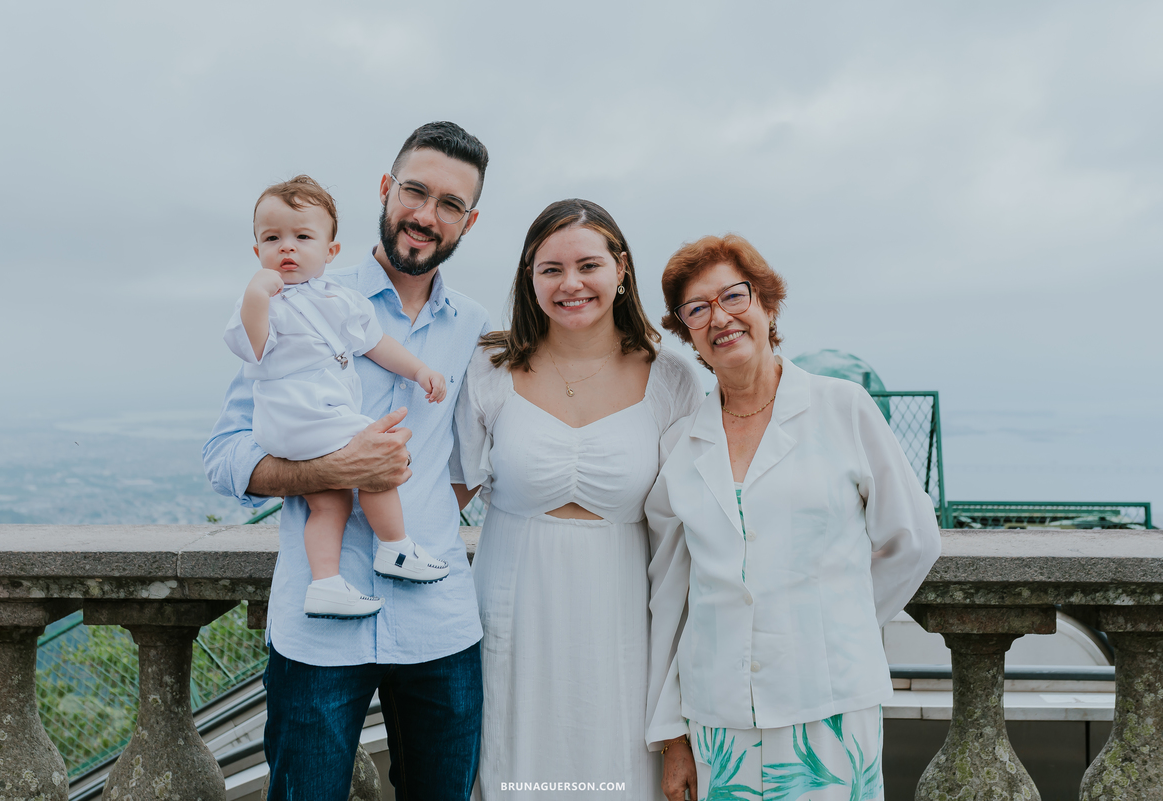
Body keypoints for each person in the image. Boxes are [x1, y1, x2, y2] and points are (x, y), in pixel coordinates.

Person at [204, 122, 491, 801]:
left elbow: (471, 459)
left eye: (449, 204)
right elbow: (224, 455)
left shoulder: (473, 325)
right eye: (415, 192)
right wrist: (329, 473)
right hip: (318, 634)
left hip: (437, 624)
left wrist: (418, 507)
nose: (426, 215)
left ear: (468, 221)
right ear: (387, 190)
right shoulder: (298, 298)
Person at [644, 235, 942, 801]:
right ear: (687, 333)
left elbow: (913, 539)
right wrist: (671, 734)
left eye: (734, 297)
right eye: (697, 309)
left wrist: (834, 619)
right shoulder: (681, 445)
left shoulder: (843, 408)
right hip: (718, 719)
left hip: (828, 705)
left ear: (768, 304)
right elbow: (672, 594)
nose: (720, 318)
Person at [452, 199, 704, 799]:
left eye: (588, 265)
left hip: (623, 628)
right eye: (550, 270)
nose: (571, 285)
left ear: (620, 269)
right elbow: (443, 496)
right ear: (529, 277)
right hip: (508, 621)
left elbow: (688, 544)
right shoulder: (489, 366)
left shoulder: (671, 379)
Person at [225, 175, 450, 622]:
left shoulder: (339, 297)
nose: (286, 248)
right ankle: (396, 548)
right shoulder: (267, 303)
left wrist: (419, 369)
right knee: (378, 456)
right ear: (257, 252)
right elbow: (252, 345)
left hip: (310, 423)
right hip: (299, 417)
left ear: (330, 251)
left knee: (330, 501)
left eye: (302, 237)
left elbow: (377, 344)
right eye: (272, 239)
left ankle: (325, 583)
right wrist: (256, 294)